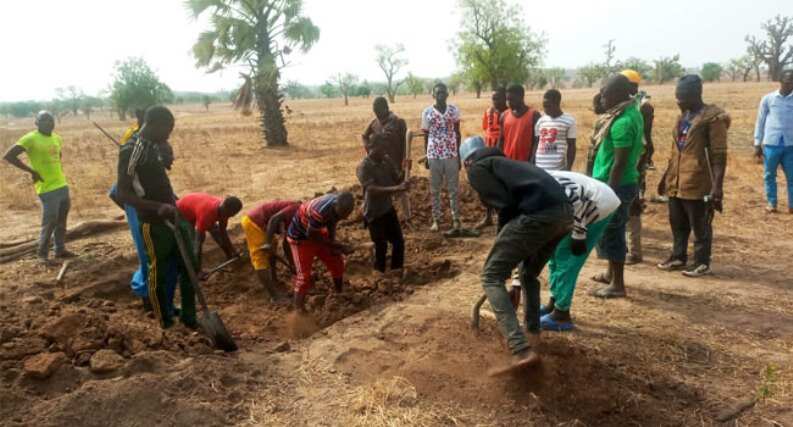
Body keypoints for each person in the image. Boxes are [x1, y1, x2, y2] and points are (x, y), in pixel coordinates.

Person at [459, 136, 573, 373]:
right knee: (528, 273)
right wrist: (505, 244)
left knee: (491, 275)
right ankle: (532, 333)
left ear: (466, 162)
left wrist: (502, 245)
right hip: (564, 216)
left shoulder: (477, 168)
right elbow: (509, 209)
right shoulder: (507, 164)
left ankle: (521, 349)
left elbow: (506, 206)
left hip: (538, 214)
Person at [116, 105, 197, 329]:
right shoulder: (131, 150)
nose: (169, 133)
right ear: (154, 124)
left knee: (190, 265)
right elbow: (122, 192)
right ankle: (165, 321)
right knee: (157, 273)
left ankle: (191, 317)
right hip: (153, 222)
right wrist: (156, 207)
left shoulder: (153, 146)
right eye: (168, 129)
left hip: (174, 215)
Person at [657, 75, 729, 278]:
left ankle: (701, 262)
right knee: (677, 222)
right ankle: (678, 256)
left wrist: (717, 187)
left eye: (683, 96)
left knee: (700, 224)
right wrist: (665, 177)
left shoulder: (713, 119)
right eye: (677, 96)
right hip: (676, 180)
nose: (679, 100)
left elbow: (719, 155)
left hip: (698, 180)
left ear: (697, 95)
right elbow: (675, 151)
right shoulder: (682, 117)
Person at [537, 171, 620, 331]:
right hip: (580, 203)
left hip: (599, 202)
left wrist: (579, 233)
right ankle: (554, 303)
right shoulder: (527, 183)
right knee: (553, 253)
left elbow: (573, 198)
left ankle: (562, 314)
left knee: (566, 256)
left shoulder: (537, 184)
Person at [588, 75, 644, 299]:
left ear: (620, 94)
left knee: (614, 232)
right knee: (612, 229)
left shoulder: (622, 122)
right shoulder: (631, 112)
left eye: (606, 94)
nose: (602, 99)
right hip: (620, 182)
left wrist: (607, 193)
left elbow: (619, 162)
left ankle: (618, 284)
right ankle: (611, 274)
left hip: (616, 185)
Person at [108, 134, 177, 309]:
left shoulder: (153, 176)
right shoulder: (138, 176)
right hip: (143, 218)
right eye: (168, 155)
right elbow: (116, 193)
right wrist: (134, 211)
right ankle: (147, 297)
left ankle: (152, 295)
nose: (172, 159)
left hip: (149, 217)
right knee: (148, 256)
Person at [3, 111, 74, 263]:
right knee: (50, 221)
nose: (49, 122)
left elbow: (57, 157)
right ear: (36, 122)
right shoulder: (30, 138)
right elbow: (8, 156)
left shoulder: (57, 138)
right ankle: (42, 255)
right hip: (46, 187)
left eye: (51, 119)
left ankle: (60, 250)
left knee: (62, 220)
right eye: (44, 120)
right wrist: (31, 171)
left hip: (62, 184)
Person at [286, 192, 355, 313]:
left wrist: (333, 244)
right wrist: (339, 245)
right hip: (300, 239)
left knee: (336, 262)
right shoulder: (319, 211)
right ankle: (298, 312)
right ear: (336, 206)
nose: (345, 217)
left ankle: (339, 294)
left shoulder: (338, 206)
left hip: (316, 232)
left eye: (347, 214)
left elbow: (332, 222)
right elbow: (312, 236)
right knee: (303, 277)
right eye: (343, 214)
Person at [357, 133, 409, 274]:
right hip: (373, 213)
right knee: (381, 245)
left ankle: (396, 271)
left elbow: (397, 179)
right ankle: (379, 273)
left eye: (385, 148)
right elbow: (372, 190)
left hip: (387, 208)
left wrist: (405, 170)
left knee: (398, 241)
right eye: (381, 148)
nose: (384, 152)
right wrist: (396, 188)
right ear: (372, 147)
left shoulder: (386, 160)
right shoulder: (363, 167)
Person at [621, 69, 656, 265]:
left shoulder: (642, 107)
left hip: (634, 162)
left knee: (632, 205)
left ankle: (634, 251)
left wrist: (642, 164)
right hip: (632, 161)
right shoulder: (628, 105)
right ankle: (626, 248)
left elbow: (645, 139)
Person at [240, 199, 301, 301]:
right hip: (254, 222)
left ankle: (274, 280)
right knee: (260, 258)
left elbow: (287, 242)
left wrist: (292, 265)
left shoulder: (300, 217)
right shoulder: (296, 209)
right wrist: (267, 243)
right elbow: (274, 219)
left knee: (272, 249)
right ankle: (275, 296)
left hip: (265, 224)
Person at [421, 82, 462, 232]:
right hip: (434, 155)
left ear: (447, 94)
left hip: (451, 153)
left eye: (443, 92)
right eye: (437, 93)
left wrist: (458, 155)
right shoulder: (426, 113)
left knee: (454, 189)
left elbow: (458, 134)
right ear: (433, 95)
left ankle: (456, 219)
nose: (440, 95)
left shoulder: (454, 111)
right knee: (435, 189)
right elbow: (426, 136)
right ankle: (436, 219)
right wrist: (426, 155)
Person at [754, 69, 793, 214]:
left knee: (792, 178)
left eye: (792, 82)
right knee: (769, 175)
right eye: (787, 81)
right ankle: (772, 203)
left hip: (791, 145)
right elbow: (760, 121)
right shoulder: (768, 99)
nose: (789, 84)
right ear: (781, 81)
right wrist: (757, 143)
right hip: (771, 144)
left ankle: (792, 206)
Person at [176, 193, 242, 273]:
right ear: (226, 209)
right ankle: (196, 270)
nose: (232, 216)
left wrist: (233, 251)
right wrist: (199, 271)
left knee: (217, 232)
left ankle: (230, 256)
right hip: (181, 212)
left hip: (196, 207)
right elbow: (198, 243)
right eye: (231, 214)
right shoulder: (207, 214)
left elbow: (223, 234)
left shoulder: (224, 211)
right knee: (197, 239)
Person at [477, 88, 508, 228]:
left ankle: (503, 217)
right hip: (488, 150)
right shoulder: (488, 112)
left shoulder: (509, 113)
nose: (495, 101)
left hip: (503, 152)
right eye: (493, 98)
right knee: (488, 184)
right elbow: (486, 130)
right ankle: (488, 217)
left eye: (498, 98)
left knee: (503, 185)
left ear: (504, 98)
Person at [533, 89, 577, 171]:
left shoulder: (569, 121)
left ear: (557, 103)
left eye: (548, 106)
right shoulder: (541, 121)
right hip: (539, 168)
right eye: (544, 106)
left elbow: (572, 147)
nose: (545, 109)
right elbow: (536, 143)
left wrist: (568, 168)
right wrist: (533, 162)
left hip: (558, 169)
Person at [497, 84, 542, 163]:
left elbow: (537, 141)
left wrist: (532, 160)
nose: (509, 103)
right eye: (507, 100)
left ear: (521, 97)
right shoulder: (504, 116)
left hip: (526, 163)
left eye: (512, 99)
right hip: (507, 162)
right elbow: (501, 140)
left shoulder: (534, 115)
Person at [361, 96, 408, 171]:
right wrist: (369, 149)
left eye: (378, 112)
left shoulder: (399, 122)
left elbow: (406, 143)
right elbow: (364, 136)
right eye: (375, 112)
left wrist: (405, 158)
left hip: (395, 163)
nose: (377, 115)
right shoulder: (374, 122)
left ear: (386, 108)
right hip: (379, 164)